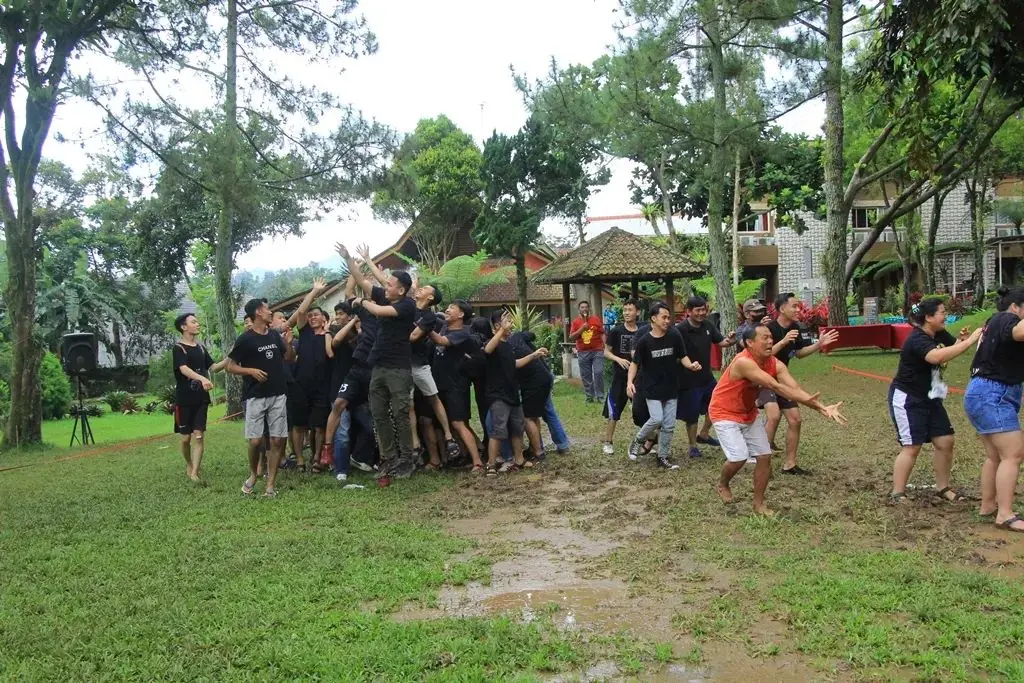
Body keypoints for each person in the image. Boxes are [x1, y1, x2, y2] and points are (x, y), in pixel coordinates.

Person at [711, 325, 847, 515]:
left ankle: (759, 504)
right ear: (749, 343)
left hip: (748, 413)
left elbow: (794, 387)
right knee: (739, 457)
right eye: (764, 338)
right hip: (724, 412)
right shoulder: (743, 362)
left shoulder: (774, 363)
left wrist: (822, 407)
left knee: (764, 457)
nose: (770, 342)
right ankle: (723, 483)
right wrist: (811, 404)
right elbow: (775, 386)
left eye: (771, 338)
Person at [887, 298, 981, 505]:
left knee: (945, 441)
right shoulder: (917, 339)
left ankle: (943, 488)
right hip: (908, 398)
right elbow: (936, 357)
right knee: (912, 446)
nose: (945, 315)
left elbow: (951, 348)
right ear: (929, 317)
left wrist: (960, 341)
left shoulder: (938, 333)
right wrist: (969, 342)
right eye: (942, 312)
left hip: (931, 397)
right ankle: (897, 493)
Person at [338, 243, 417, 486]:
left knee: (400, 414)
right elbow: (362, 281)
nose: (385, 286)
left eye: (390, 284)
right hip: (379, 366)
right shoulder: (387, 295)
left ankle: (407, 459)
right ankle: (389, 459)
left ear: (401, 290)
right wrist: (350, 260)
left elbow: (379, 311)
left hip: (398, 368)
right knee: (379, 414)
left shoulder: (407, 305)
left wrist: (360, 302)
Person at [964, 286, 1024, 533]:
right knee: (1013, 454)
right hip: (993, 395)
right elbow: (1019, 332)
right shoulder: (1006, 319)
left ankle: (988, 505)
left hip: (983, 393)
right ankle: (1005, 514)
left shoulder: (993, 323)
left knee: (995, 456)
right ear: (1015, 307)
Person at [759, 293, 839, 475]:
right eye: (794, 306)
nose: (798, 310)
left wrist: (819, 345)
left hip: (782, 379)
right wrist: (783, 342)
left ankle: (790, 464)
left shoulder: (795, 327)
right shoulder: (768, 329)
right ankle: (762, 463)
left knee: (795, 419)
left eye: (799, 306)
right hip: (763, 380)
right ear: (782, 309)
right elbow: (763, 355)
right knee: (773, 416)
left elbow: (799, 353)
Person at [226, 297, 295, 497]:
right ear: (257, 312)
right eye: (266, 309)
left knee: (276, 440)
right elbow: (230, 366)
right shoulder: (245, 339)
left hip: (278, 393)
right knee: (256, 441)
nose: (270, 311)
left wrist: (288, 343)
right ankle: (253, 474)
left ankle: (270, 484)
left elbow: (289, 358)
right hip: (255, 395)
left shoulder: (274, 335)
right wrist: (250, 371)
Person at [627, 302, 700, 470]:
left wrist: (690, 365)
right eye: (664, 317)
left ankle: (663, 457)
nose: (667, 321)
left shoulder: (674, 335)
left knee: (669, 425)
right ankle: (638, 440)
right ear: (654, 318)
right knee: (657, 419)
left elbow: (683, 355)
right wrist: (629, 382)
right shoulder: (645, 341)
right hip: (651, 388)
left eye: (669, 317)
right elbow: (635, 363)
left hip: (671, 387)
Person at [483, 310, 543, 475]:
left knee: (517, 428)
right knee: (498, 431)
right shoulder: (493, 344)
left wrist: (533, 355)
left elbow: (514, 364)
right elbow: (487, 350)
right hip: (498, 395)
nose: (511, 325)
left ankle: (519, 459)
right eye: (508, 321)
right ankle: (491, 465)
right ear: (498, 326)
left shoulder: (508, 345)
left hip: (513, 393)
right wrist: (501, 330)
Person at [675, 296, 737, 459]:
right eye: (698, 310)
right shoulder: (680, 330)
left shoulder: (708, 325)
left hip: (707, 378)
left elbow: (721, 342)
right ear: (689, 311)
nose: (702, 313)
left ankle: (704, 434)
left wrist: (730, 340)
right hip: (688, 380)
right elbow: (675, 353)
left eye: (704, 309)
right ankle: (692, 446)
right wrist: (687, 364)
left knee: (717, 404)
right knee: (692, 415)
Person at [429, 299, 485, 473]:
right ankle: (466, 454)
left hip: (456, 385)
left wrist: (424, 326)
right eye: (447, 307)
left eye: (452, 308)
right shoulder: (445, 326)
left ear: (461, 314)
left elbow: (441, 341)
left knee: (458, 423)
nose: (447, 310)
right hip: (441, 384)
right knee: (449, 424)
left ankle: (477, 462)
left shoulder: (463, 333)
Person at [407, 283, 461, 463]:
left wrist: (393, 338)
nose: (420, 289)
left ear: (431, 297)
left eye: (425, 288)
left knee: (433, 397)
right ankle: (415, 444)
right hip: (403, 364)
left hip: (419, 364)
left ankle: (448, 437)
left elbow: (414, 337)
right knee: (409, 404)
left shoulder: (429, 316)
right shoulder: (407, 306)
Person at [287, 278, 332, 473]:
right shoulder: (304, 332)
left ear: (324, 319)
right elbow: (301, 312)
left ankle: (316, 457)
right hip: (300, 385)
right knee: (299, 425)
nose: (313, 317)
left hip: (322, 386)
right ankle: (299, 459)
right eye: (311, 315)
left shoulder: (329, 336)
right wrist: (314, 291)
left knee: (319, 426)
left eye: (317, 315)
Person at [172, 313, 217, 481]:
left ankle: (195, 472)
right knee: (185, 439)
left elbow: (214, 367)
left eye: (197, 322)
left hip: (201, 400)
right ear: (184, 327)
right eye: (194, 322)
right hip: (184, 400)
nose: (198, 324)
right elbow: (183, 369)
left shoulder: (201, 348)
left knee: (199, 435)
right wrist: (202, 378)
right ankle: (189, 463)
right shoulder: (179, 348)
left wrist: (232, 358)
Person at [602, 298, 642, 455]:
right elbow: (606, 352)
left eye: (630, 310)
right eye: (625, 310)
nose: (626, 313)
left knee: (641, 411)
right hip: (619, 378)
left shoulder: (643, 330)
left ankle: (644, 443)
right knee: (614, 411)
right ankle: (608, 442)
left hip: (638, 379)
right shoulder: (616, 331)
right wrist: (618, 359)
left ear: (637, 312)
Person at [510, 329, 554, 461]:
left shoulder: (506, 345)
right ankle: (534, 447)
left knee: (527, 417)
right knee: (533, 416)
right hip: (544, 376)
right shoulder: (518, 336)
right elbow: (532, 335)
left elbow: (514, 365)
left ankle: (538, 452)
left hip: (534, 380)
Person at [569, 300, 605, 403]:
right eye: (582, 307)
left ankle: (600, 396)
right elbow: (571, 337)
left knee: (598, 372)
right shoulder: (575, 322)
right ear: (579, 309)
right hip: (583, 352)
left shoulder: (596, 319)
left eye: (586, 307)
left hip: (597, 350)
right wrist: (581, 329)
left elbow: (602, 333)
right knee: (586, 375)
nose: (584, 309)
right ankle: (589, 397)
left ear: (589, 309)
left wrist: (605, 346)